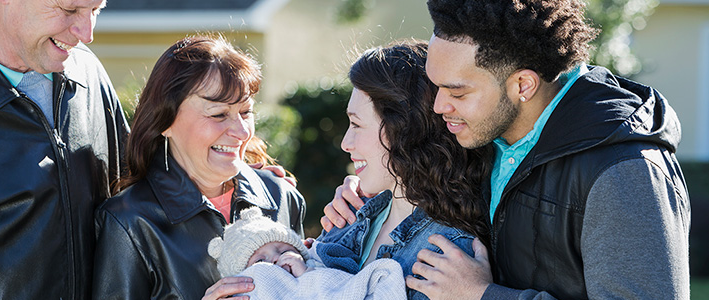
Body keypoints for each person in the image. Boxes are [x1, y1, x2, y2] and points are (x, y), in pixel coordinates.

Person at [324, 0, 691, 299]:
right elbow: (418, 174)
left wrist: (483, 295)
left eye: (457, 92)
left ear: (523, 85)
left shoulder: (625, 172)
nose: (438, 107)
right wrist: (364, 200)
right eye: (436, 88)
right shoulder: (487, 135)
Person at [91, 35, 306, 299]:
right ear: (165, 122)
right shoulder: (128, 223)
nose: (241, 131)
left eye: (246, 112)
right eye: (218, 114)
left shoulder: (280, 196)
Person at [0, 0, 128, 298]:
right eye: (69, 9)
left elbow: (139, 214)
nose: (87, 33)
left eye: (96, 10)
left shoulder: (90, 73)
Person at [311, 41, 490, 300]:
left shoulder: (446, 257)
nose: (345, 143)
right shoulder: (351, 213)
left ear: (404, 130)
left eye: (356, 125)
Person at [207, 206, 407, 300]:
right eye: (260, 260)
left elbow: (343, 288)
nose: (276, 259)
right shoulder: (248, 288)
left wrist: (308, 275)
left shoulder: (316, 266)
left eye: (284, 249)